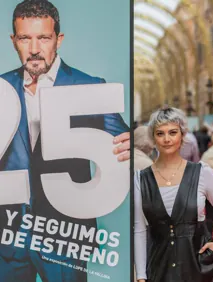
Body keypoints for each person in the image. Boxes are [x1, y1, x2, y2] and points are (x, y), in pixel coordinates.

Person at [0, 1, 130, 281]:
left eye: (43, 38)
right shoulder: (0, 90)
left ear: (58, 39)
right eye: (25, 38)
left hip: (64, 237)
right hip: (8, 236)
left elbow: (126, 139)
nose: (34, 48)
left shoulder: (90, 87)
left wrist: (136, 141)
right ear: (13, 41)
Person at [134, 107, 213, 282]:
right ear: (153, 138)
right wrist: (141, 276)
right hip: (158, 268)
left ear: (182, 135)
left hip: (200, 268)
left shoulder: (202, 172)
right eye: (160, 133)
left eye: (173, 132)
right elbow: (140, 229)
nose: (167, 139)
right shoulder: (140, 179)